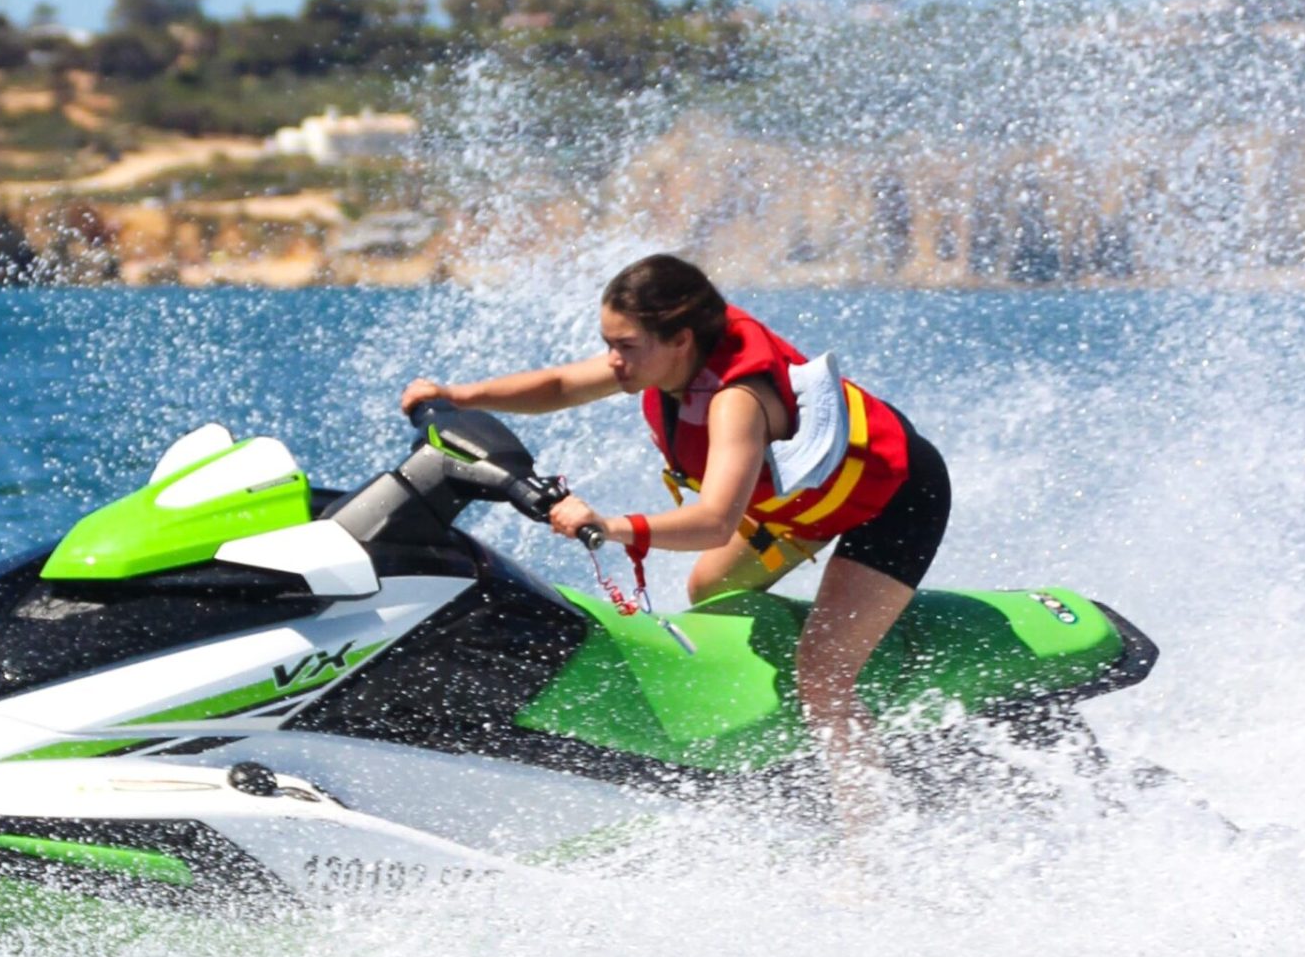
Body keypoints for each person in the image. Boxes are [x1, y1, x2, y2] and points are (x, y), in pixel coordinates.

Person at [401, 253, 950, 781]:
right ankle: (811, 694)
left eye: (625, 346)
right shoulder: (666, 360)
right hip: (803, 506)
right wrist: (460, 396)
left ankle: (869, 847)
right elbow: (565, 385)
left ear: (680, 340)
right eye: (607, 344)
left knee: (823, 673)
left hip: (895, 498)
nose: (613, 360)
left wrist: (614, 526)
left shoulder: (737, 401)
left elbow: (713, 522)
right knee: (711, 586)